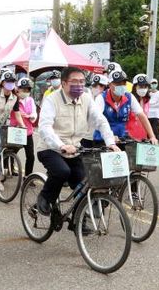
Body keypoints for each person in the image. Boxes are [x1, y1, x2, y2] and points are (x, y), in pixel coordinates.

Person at [35, 67, 120, 215]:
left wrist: (110, 142)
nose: (79, 85)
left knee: (85, 182)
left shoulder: (86, 99)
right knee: (62, 172)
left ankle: (80, 221)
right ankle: (45, 197)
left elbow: (100, 120)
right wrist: (61, 145)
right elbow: (44, 127)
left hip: (75, 149)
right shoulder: (52, 99)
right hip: (50, 148)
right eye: (74, 81)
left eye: (82, 81)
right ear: (63, 83)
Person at [93, 70, 158, 146]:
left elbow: (142, 115)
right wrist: (109, 136)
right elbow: (96, 119)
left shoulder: (129, 97)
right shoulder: (101, 98)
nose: (121, 86)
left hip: (121, 139)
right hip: (102, 140)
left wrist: (152, 136)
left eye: (123, 83)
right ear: (110, 84)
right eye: (117, 83)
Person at [13, 78, 37, 178]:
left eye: (27, 90)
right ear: (18, 89)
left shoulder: (30, 100)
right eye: (23, 89)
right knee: (11, 152)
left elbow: (34, 113)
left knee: (30, 156)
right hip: (15, 130)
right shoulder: (13, 99)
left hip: (27, 132)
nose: (25, 92)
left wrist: (31, 116)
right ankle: (5, 173)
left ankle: (27, 176)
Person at [127, 74, 152, 141]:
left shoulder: (146, 101)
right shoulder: (129, 99)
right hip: (130, 137)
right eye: (140, 86)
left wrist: (151, 136)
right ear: (135, 87)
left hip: (143, 136)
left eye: (145, 86)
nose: (143, 89)